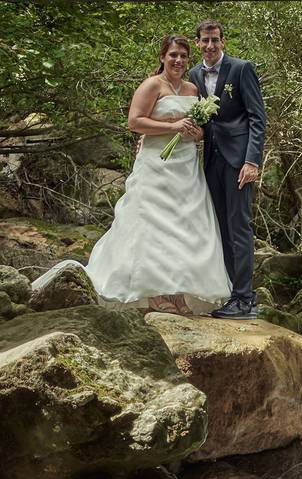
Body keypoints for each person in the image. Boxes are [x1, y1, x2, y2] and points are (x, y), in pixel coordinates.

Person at [32, 35, 231, 315]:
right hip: (156, 166)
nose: (178, 60)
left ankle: (178, 292)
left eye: (184, 56)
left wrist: (194, 133)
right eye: (173, 55)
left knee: (185, 227)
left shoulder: (191, 89)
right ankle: (153, 293)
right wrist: (173, 127)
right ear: (163, 57)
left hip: (186, 166)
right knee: (153, 226)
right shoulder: (152, 85)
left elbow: (197, 131)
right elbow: (135, 122)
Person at [189, 19, 267, 320]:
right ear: (197, 43)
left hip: (239, 162)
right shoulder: (194, 74)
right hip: (210, 161)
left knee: (239, 228)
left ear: (223, 41)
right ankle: (233, 293)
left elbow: (257, 118)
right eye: (205, 40)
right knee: (220, 229)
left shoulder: (241, 68)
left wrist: (252, 161)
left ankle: (246, 299)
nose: (210, 46)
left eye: (215, 40)